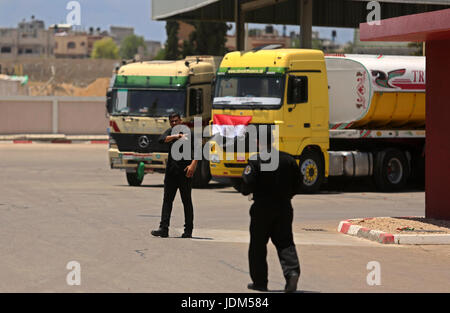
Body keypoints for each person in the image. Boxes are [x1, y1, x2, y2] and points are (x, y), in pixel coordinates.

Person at [240, 131, 301, 293]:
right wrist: (287, 196)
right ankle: (292, 273)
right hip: (284, 207)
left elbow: (246, 184)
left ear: (259, 142)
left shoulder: (255, 161)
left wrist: (248, 191)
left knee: (258, 246)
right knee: (285, 242)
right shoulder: (289, 160)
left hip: (262, 208)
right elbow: (299, 183)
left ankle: (260, 282)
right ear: (273, 141)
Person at [151, 113, 198, 238]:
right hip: (171, 173)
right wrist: (175, 136)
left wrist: (193, 165)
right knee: (167, 201)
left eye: (176, 121)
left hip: (185, 172)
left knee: (186, 201)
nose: (174, 123)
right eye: (172, 122)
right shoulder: (171, 133)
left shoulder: (190, 133)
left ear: (181, 121)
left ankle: (188, 230)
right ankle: (163, 228)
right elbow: (161, 140)